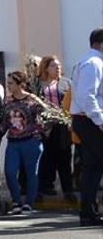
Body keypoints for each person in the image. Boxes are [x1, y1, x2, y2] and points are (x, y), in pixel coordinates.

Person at [69, 28, 103, 227]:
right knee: (93, 166)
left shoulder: (88, 61)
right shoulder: (93, 63)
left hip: (86, 120)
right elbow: (86, 96)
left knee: (93, 167)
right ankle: (88, 211)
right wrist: (100, 120)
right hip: (90, 120)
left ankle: (87, 212)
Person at [2, 71, 46, 214]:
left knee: (31, 173)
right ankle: (16, 202)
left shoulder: (32, 99)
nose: (8, 86)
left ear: (20, 84)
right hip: (13, 142)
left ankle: (29, 203)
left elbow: (48, 114)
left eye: (10, 83)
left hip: (31, 141)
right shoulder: (7, 100)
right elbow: (4, 121)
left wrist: (42, 130)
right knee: (9, 171)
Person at [37, 55, 74, 199]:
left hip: (62, 126)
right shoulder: (38, 84)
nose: (58, 68)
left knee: (64, 158)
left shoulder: (66, 83)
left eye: (58, 65)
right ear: (45, 68)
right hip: (44, 127)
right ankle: (45, 188)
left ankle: (68, 190)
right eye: (53, 66)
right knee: (46, 158)